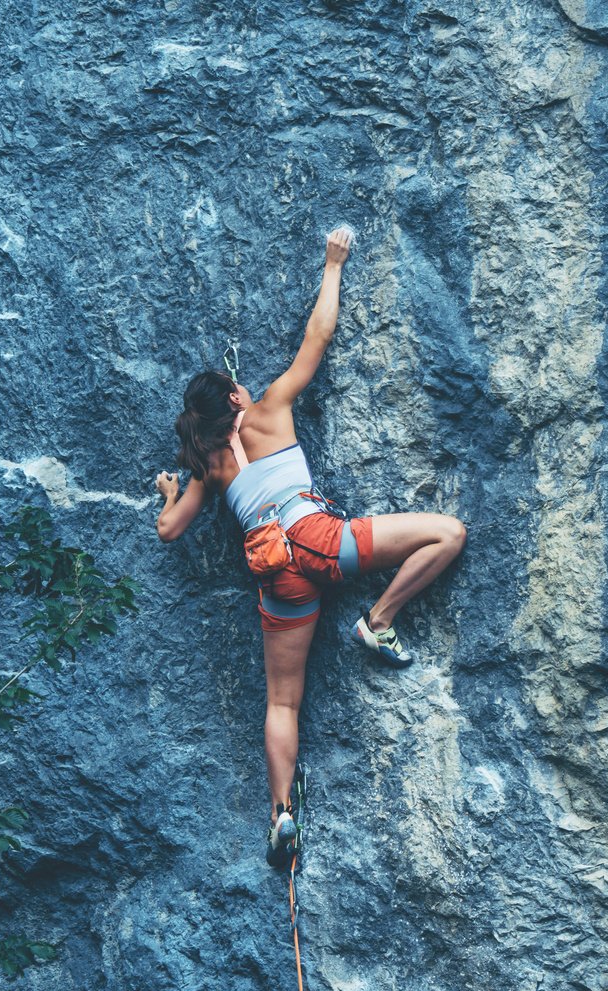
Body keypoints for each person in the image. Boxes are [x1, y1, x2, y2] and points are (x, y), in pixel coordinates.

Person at [153, 226, 466, 867]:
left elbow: (170, 530)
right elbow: (317, 337)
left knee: (281, 701)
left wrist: (168, 491)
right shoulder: (271, 407)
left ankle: (282, 814)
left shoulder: (206, 467)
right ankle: (378, 620)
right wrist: (332, 263)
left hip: (277, 578)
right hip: (318, 541)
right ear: (235, 398)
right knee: (449, 532)